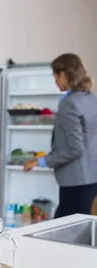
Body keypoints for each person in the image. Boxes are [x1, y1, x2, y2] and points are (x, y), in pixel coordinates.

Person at [24, 53, 97, 218]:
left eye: (55, 76)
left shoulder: (69, 103)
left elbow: (75, 149)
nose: (55, 81)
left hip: (76, 182)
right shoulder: (90, 98)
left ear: (64, 74)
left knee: (64, 233)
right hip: (91, 179)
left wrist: (40, 161)